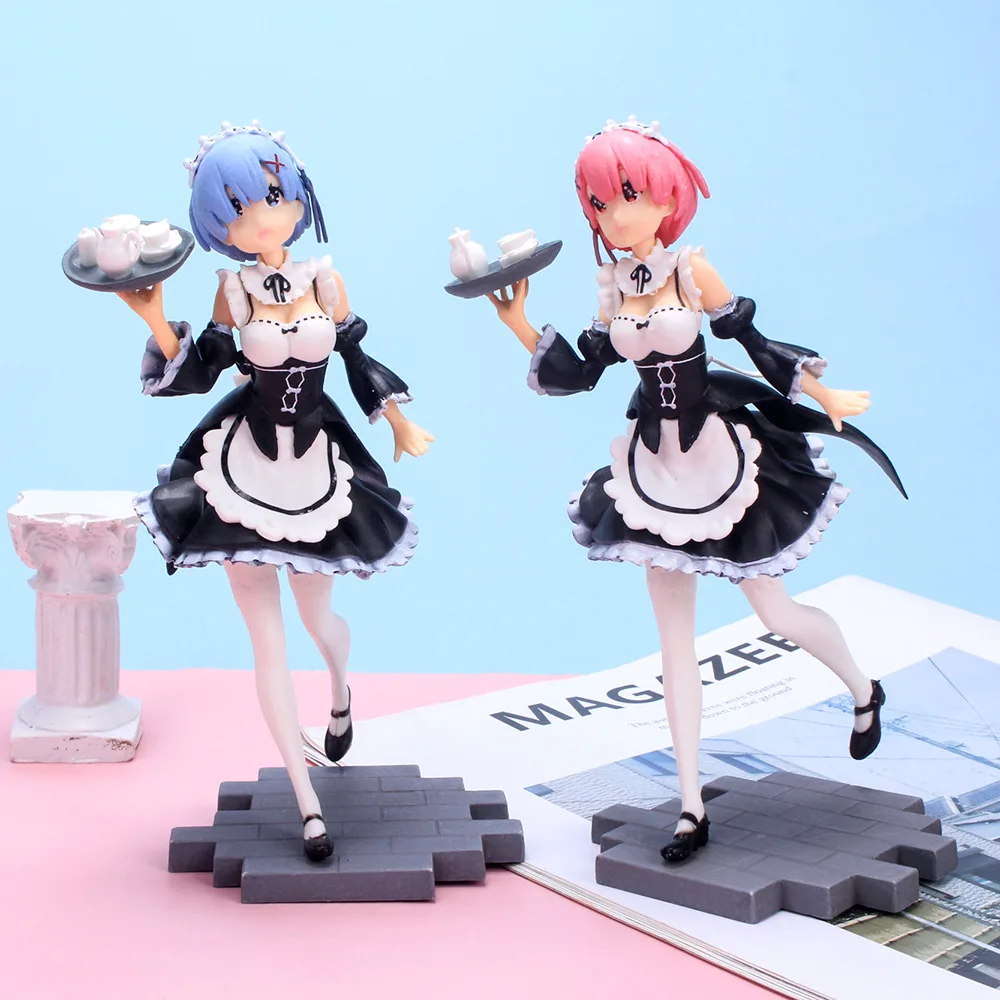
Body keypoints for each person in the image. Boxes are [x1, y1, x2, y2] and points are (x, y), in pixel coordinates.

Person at [485, 117, 904, 863]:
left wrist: (824, 394)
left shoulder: (691, 270)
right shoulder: (613, 288)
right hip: (653, 469)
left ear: (666, 196)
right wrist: (519, 323)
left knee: (774, 612)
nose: (614, 216)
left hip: (720, 458)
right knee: (673, 643)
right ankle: (689, 808)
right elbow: (583, 373)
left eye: (627, 195)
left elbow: (754, 342)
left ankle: (862, 687)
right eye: (598, 202)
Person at [118, 122, 433, 861]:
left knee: (319, 620)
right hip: (241, 465)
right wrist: (156, 318)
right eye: (237, 208)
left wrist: (398, 420)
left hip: (317, 461)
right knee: (267, 639)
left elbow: (356, 357)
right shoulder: (231, 288)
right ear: (218, 225)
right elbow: (203, 367)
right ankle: (306, 802)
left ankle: (341, 686)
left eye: (272, 196)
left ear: (297, 197)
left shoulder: (325, 280)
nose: (262, 216)